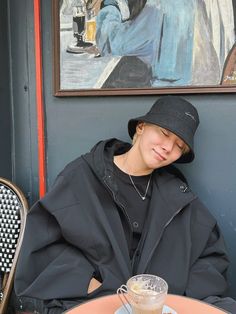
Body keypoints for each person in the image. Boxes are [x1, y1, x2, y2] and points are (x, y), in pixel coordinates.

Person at [14, 95, 236, 313]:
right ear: (141, 127)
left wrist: (175, 299)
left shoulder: (177, 194)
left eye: (179, 146)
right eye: (164, 133)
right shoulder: (81, 175)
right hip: (91, 301)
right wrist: (89, 282)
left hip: (154, 307)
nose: (168, 147)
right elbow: (44, 240)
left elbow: (210, 254)